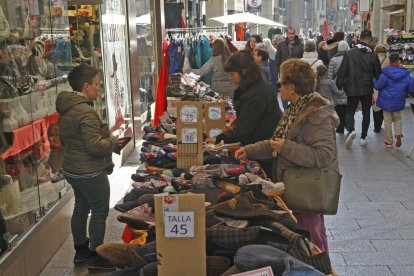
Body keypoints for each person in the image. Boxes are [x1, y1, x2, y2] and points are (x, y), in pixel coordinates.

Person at [235, 59, 339, 252]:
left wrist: (287, 147)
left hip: (309, 190)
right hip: (298, 185)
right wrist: (250, 150)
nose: (278, 87)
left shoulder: (317, 114)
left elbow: (324, 155)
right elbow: (277, 143)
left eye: (280, 83)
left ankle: (318, 268)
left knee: (311, 237)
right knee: (305, 234)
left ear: (291, 87)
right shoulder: (294, 110)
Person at [56, 64, 124, 272]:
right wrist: (113, 142)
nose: (100, 89)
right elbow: (94, 147)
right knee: (99, 211)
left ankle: (80, 250)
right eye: (97, 85)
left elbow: (71, 139)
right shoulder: (85, 111)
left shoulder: (67, 106)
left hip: (72, 168)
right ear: (86, 86)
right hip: (89, 171)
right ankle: (96, 255)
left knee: (81, 207)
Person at [205, 50, 282, 176]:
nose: (231, 78)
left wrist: (218, 138)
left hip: (262, 153)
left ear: (244, 72)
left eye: (233, 74)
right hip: (261, 149)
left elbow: (243, 130)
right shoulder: (256, 87)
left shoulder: (255, 94)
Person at [336, 29, 381, 148]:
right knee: (366, 113)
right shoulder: (373, 55)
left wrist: (339, 84)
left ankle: (351, 130)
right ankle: (363, 137)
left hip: (352, 87)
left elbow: (342, 70)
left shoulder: (349, 53)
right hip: (367, 88)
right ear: (370, 39)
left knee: (350, 111)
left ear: (359, 38)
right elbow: (378, 74)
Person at [373, 52, 414, 148]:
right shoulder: (405, 73)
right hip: (399, 99)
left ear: (390, 61)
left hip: (386, 100)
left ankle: (389, 141)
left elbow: (378, 86)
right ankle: (398, 133)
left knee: (387, 120)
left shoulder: (385, 73)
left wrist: (374, 78)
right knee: (398, 118)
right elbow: (410, 88)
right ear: (399, 61)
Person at [274, 27, 304, 107]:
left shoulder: (300, 45)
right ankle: (285, 108)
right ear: (287, 34)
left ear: (295, 34)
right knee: (284, 90)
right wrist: (277, 72)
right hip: (284, 72)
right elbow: (277, 60)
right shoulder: (281, 45)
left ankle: (294, 107)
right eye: (289, 33)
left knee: (295, 91)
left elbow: (302, 60)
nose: (291, 35)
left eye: (292, 33)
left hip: (295, 73)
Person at [327, 40, 349, 133]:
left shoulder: (333, 59)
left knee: (339, 108)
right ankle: (349, 126)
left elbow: (330, 75)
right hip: (348, 85)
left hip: (337, 86)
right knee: (348, 108)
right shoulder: (350, 58)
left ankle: (340, 128)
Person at [372, 45, 391, 133]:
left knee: (375, 106)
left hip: (375, 85)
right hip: (386, 86)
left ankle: (377, 127)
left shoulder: (373, 59)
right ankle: (381, 123)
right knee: (384, 106)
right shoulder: (388, 60)